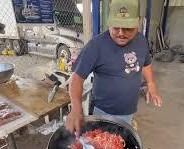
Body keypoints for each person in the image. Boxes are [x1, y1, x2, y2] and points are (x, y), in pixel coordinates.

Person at [66, 0, 162, 136]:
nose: (121, 33)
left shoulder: (141, 41)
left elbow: (146, 63)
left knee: (120, 142)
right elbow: (77, 78)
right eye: (116, 27)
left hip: (129, 110)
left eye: (128, 28)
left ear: (138, 22)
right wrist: (76, 107)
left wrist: (151, 84)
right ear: (108, 22)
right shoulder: (96, 46)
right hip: (102, 111)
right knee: (102, 146)